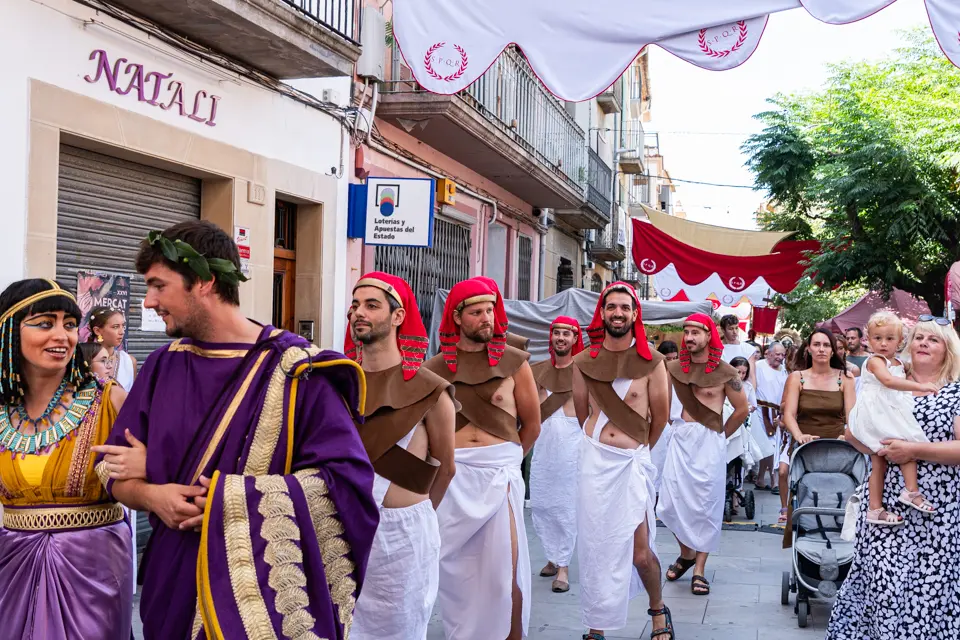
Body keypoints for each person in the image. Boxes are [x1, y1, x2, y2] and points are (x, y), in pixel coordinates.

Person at [92, 221, 379, 639]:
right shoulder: (162, 366)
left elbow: (347, 485)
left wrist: (212, 491)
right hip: (171, 582)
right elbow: (112, 472)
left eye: (159, 286)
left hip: (253, 598)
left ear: (205, 282)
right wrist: (155, 494)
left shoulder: (298, 372)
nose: (149, 301)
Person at [0, 279, 133, 639]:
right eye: (45, 323)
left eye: (70, 324)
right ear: (10, 330)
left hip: (93, 576)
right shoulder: (1, 412)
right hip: (10, 571)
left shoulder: (110, 401)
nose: (62, 335)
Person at [826, 317, 960, 639]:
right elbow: (854, 434)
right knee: (883, 589)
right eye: (919, 337)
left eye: (934, 339)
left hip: (936, 514)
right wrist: (875, 445)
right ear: (908, 344)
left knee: (926, 596)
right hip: (886, 509)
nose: (924, 343)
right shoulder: (888, 378)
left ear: (948, 350)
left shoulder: (956, 391)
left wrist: (913, 449)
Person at [423, 277, 540, 640]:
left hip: (499, 473)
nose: (487, 318)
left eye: (490, 310)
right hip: (453, 477)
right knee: (457, 571)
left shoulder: (515, 363)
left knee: (508, 567)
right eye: (477, 312)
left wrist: (507, 460)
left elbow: (532, 424)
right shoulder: (433, 370)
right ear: (457, 318)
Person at [344, 272, 458, 640]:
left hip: (404, 536)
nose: (359, 312)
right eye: (356, 304)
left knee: (402, 630)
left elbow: (445, 469)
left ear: (397, 317)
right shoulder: (338, 385)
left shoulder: (431, 391)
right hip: (345, 529)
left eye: (372, 305)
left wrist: (414, 511)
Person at [571, 282, 673, 640]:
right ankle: (595, 626)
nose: (617, 313)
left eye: (624, 307)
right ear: (602, 313)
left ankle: (658, 610)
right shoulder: (584, 361)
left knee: (639, 552)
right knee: (595, 545)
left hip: (630, 463)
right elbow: (583, 414)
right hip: (595, 463)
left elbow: (659, 419)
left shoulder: (652, 363)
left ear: (634, 314)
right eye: (611, 307)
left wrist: (636, 450)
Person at [659, 313, 749, 596]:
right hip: (680, 439)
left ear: (710, 335)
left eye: (696, 332)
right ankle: (686, 553)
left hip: (709, 441)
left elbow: (742, 408)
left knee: (706, 506)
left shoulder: (726, 372)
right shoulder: (672, 368)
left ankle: (699, 569)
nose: (689, 337)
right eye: (686, 332)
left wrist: (721, 434)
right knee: (668, 505)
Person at [849, 312, 938, 526]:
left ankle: (875, 508)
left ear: (899, 341)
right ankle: (910, 491)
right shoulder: (875, 361)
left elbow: (904, 373)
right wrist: (920, 386)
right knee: (904, 444)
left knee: (880, 461)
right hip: (876, 415)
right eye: (877, 338)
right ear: (868, 340)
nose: (883, 343)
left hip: (888, 412)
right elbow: (888, 381)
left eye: (889, 338)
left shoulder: (898, 361)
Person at [778, 329, 856, 537]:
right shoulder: (797, 378)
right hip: (805, 445)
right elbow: (789, 414)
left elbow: (852, 416)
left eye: (826, 345)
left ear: (833, 350)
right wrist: (798, 435)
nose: (821, 349)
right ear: (809, 349)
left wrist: (847, 434)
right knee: (803, 491)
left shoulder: (845, 379)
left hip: (838, 445)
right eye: (817, 344)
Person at [530, 316, 585, 594]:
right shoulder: (539, 371)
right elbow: (530, 409)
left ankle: (562, 566)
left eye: (567, 333)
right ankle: (552, 556)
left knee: (565, 507)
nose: (561, 337)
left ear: (575, 339)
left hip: (572, 445)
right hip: (544, 444)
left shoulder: (584, 371)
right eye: (557, 333)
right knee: (542, 504)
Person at [754, 341, 788, 496]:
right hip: (761, 410)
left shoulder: (784, 370)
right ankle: (774, 479)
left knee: (773, 445)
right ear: (768, 353)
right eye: (777, 354)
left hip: (777, 411)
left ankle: (761, 478)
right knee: (768, 444)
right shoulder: (758, 366)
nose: (780, 358)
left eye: (783, 355)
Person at [86, 306, 137, 389]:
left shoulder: (129, 362)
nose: (122, 332)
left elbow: (133, 397)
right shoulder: (84, 358)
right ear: (97, 331)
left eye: (123, 326)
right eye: (115, 327)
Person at [720, 314, 758, 388]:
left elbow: (751, 376)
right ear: (723, 330)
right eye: (731, 329)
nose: (735, 332)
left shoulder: (748, 349)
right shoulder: (716, 348)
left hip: (742, 391)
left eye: (736, 328)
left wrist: (751, 396)